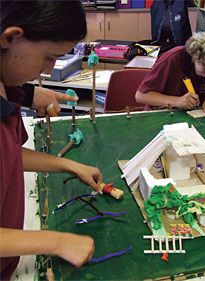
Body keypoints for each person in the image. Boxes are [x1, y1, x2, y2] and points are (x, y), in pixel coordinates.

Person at [0, 1, 103, 280]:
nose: (49, 70)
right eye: (49, 57)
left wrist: (69, 165)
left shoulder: (6, 87)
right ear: (10, 38)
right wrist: (56, 241)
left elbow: (10, 157)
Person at [135, 32, 205, 119]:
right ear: (197, 55)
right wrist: (177, 101)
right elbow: (141, 96)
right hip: (160, 116)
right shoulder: (172, 59)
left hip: (189, 118)